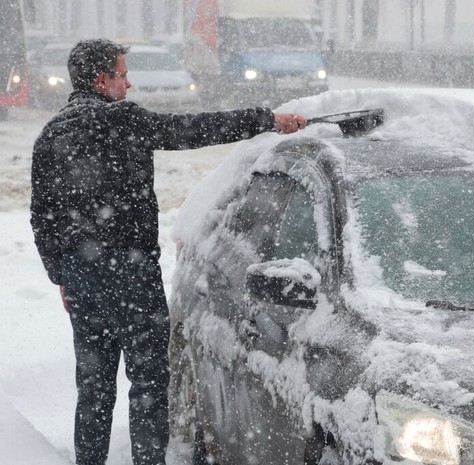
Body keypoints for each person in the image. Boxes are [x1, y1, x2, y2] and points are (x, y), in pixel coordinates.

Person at [29, 39, 306, 465]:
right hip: (131, 272)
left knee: (94, 387)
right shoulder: (122, 119)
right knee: (149, 386)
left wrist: (60, 275)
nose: (129, 82)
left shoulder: (51, 133)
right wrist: (265, 119)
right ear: (102, 80)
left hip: (81, 273)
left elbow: (42, 216)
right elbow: (192, 130)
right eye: (123, 75)